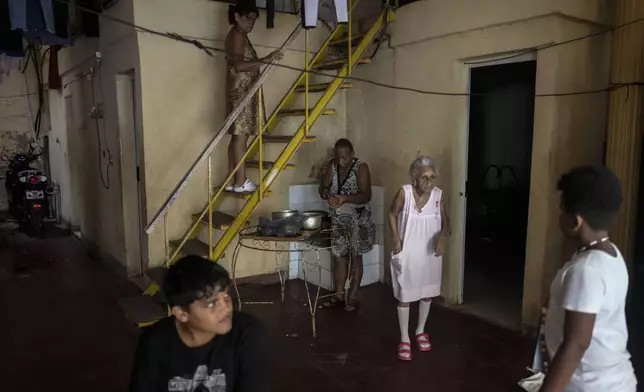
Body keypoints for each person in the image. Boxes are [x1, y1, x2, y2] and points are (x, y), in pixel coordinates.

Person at [540, 166, 637, 392]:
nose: (559, 216)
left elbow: (576, 343)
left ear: (576, 221)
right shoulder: (610, 253)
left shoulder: (586, 270)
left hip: (591, 386)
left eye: (561, 210)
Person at [128, 256, 270, 392]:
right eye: (211, 303)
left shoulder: (248, 335)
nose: (226, 308)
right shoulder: (155, 342)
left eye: (226, 295)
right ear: (182, 314)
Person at [388, 156, 449, 361]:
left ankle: (420, 331)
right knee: (405, 296)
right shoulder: (404, 193)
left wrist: (443, 237)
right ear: (414, 178)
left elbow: (446, 221)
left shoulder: (438, 195)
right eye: (425, 177)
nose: (429, 182)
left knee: (426, 294)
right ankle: (404, 338)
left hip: (430, 253)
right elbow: (392, 213)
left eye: (432, 177)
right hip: (408, 252)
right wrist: (396, 237)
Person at [224, 1, 283, 193]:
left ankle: (233, 181)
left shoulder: (237, 36)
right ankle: (241, 181)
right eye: (248, 18)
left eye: (254, 20)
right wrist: (266, 59)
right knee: (241, 137)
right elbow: (239, 66)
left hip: (241, 91)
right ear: (236, 17)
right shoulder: (236, 36)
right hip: (242, 92)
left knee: (237, 137)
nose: (251, 23)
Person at [318, 138, 375, 312]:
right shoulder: (332, 166)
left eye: (344, 156)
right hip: (339, 220)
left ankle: (352, 297)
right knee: (339, 256)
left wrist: (344, 198)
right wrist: (327, 193)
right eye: (338, 157)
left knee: (356, 257)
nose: (341, 161)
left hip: (359, 220)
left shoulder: (361, 167)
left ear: (352, 154)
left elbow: (366, 196)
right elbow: (322, 187)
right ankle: (338, 294)